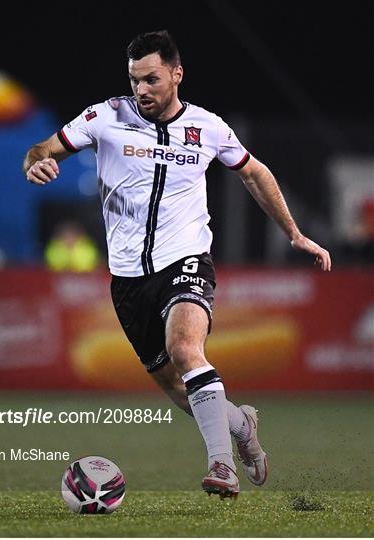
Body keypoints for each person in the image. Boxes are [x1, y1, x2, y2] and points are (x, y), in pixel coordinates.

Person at [23, 30, 331, 499]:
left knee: (187, 350)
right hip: (127, 280)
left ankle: (221, 466)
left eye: (150, 79)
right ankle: (241, 425)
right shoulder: (105, 116)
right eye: (134, 81)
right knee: (177, 387)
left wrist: (293, 233)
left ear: (176, 73)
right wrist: (35, 163)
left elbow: (254, 172)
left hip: (185, 259)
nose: (140, 90)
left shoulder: (208, 127)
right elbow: (44, 147)